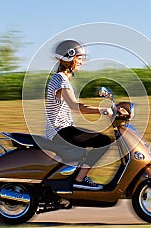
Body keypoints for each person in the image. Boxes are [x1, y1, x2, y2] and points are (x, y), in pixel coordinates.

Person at [45, 40, 113, 190]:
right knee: (104, 141)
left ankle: (76, 177)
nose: (82, 62)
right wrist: (102, 111)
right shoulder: (60, 79)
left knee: (93, 140)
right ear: (70, 58)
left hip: (63, 129)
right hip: (59, 131)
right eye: (80, 58)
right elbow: (74, 106)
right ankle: (80, 179)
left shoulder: (62, 79)